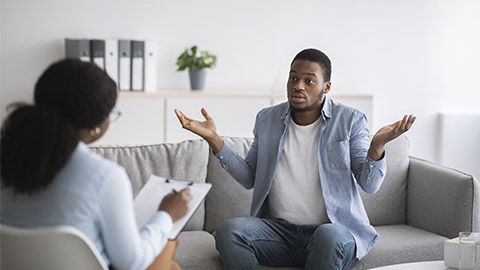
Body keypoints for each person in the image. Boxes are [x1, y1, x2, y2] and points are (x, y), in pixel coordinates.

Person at [174, 48, 416, 270]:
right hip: (279, 234)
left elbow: (370, 185)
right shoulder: (267, 119)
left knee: (328, 237)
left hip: (332, 233)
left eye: (309, 80)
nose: (298, 86)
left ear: (326, 87)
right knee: (229, 231)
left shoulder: (350, 120)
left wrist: (377, 146)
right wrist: (214, 139)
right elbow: (249, 177)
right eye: (293, 78)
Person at [0, 59, 192, 270]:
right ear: (96, 126)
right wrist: (167, 215)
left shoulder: (8, 157)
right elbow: (131, 262)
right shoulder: (104, 176)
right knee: (169, 241)